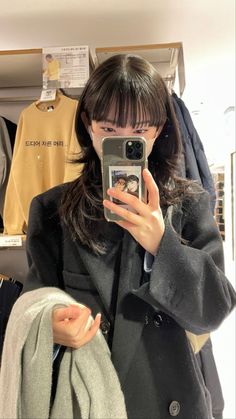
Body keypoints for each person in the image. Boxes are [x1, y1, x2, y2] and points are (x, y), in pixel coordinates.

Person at [24, 54, 236, 419]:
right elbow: (35, 304)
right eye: (109, 129)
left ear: (158, 130)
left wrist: (162, 243)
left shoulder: (190, 206)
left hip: (169, 398)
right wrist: (51, 329)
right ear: (88, 125)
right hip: (89, 400)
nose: (123, 140)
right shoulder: (51, 210)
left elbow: (213, 311)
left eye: (139, 131)